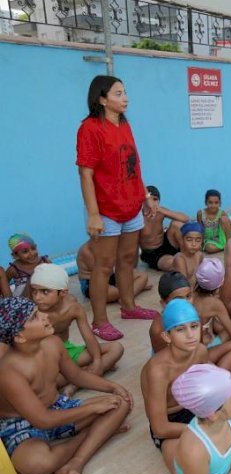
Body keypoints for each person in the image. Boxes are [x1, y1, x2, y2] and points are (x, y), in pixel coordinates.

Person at [0, 297, 131, 474]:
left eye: (39, 312)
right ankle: (96, 434)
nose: (45, 316)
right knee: (36, 465)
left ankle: (76, 462)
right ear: (19, 337)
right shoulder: (9, 371)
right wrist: (92, 408)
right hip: (19, 424)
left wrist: (113, 387)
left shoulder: (52, 343)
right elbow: (42, 420)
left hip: (57, 407)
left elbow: (76, 376)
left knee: (122, 403)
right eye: (35, 317)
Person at [76, 75, 159, 342]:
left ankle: (129, 307)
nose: (126, 98)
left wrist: (144, 194)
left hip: (131, 204)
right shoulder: (90, 128)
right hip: (106, 209)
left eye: (125, 92)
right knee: (103, 266)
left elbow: (133, 163)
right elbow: (85, 174)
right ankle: (99, 322)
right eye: (118, 93)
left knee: (127, 260)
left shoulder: (124, 124)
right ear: (102, 99)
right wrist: (93, 214)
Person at [141, 299, 231, 474]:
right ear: (167, 336)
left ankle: (222, 447)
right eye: (180, 329)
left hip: (203, 409)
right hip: (173, 421)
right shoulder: (157, 370)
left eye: (194, 326)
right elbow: (160, 427)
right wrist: (204, 433)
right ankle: (222, 449)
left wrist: (215, 426)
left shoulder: (200, 351)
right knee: (183, 469)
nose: (190, 335)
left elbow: (215, 387)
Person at [29, 264, 124, 396]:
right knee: (44, 384)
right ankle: (87, 374)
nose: (37, 297)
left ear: (62, 292)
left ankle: (75, 384)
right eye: (34, 291)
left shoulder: (73, 308)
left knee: (116, 348)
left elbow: (88, 335)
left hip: (68, 352)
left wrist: (96, 360)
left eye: (45, 292)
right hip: (46, 360)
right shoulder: (31, 313)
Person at [192, 258, 231, 354]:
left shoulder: (191, 293)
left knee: (219, 323)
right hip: (207, 348)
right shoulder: (214, 303)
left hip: (191, 346)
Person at [77, 238, 150, 302]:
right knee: (115, 292)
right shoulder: (87, 251)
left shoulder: (108, 245)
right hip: (92, 282)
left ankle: (127, 296)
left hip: (110, 276)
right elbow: (99, 273)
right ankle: (131, 292)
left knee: (142, 276)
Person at [139, 185, 189, 271]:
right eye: (149, 200)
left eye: (155, 199)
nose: (152, 203)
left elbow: (185, 219)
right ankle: (180, 262)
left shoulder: (161, 211)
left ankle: (187, 255)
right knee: (175, 264)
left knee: (176, 224)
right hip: (152, 253)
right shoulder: (138, 217)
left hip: (165, 243)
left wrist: (161, 210)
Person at [149, 271, 193, 354]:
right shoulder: (158, 330)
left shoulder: (192, 314)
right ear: (164, 304)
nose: (186, 303)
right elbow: (163, 363)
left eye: (188, 296)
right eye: (178, 299)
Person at [5, 234, 52, 298]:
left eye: (33, 248)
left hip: (45, 296)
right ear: (15, 256)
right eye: (25, 251)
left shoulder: (45, 261)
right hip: (24, 300)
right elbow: (4, 286)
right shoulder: (14, 269)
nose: (32, 253)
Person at [197, 189, 231, 254]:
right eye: (210, 202)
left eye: (216, 203)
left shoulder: (221, 213)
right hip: (209, 240)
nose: (213, 205)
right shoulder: (201, 214)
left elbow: (229, 225)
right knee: (209, 248)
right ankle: (225, 247)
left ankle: (230, 244)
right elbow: (199, 230)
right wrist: (200, 243)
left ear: (220, 203)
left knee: (224, 219)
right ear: (205, 202)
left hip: (221, 238)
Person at [173, 221, 205, 286]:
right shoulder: (180, 259)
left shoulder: (199, 255)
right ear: (182, 240)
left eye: (198, 240)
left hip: (196, 288)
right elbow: (183, 284)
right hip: (184, 290)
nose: (193, 244)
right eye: (189, 240)